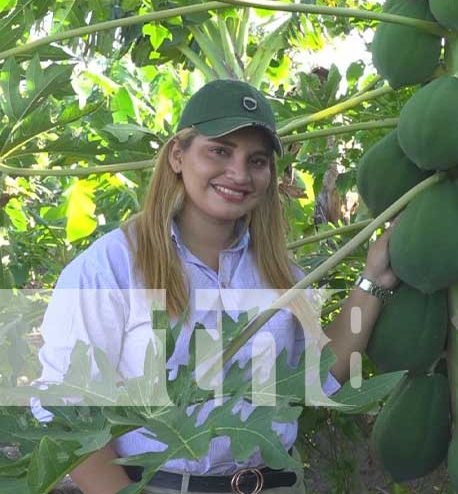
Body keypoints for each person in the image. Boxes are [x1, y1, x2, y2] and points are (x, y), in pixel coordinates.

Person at [32, 79, 399, 494]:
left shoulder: (283, 276)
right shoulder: (109, 269)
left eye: (257, 160)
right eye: (220, 151)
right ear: (177, 155)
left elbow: (317, 373)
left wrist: (376, 278)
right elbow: (68, 411)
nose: (239, 173)